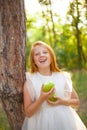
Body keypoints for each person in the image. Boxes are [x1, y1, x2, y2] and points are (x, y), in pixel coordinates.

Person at [22, 41, 87, 130]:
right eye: (37, 54)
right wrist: (42, 98)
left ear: (51, 57)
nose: (41, 55)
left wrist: (61, 101)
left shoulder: (62, 77)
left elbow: (76, 102)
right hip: (41, 124)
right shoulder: (31, 81)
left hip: (64, 121)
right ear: (34, 61)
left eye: (45, 52)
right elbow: (28, 113)